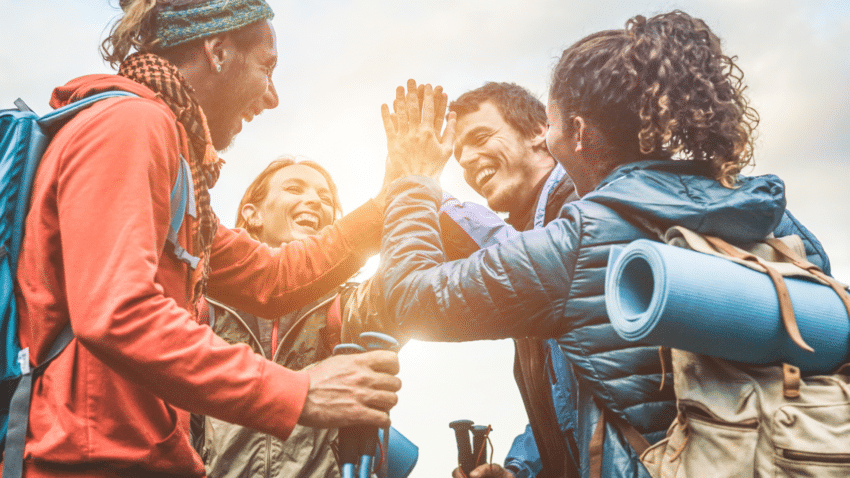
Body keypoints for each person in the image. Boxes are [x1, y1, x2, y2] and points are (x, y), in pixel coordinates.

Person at [377, 10, 830, 478]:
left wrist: (411, 179)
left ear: (575, 133)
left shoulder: (582, 240)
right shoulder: (758, 209)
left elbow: (411, 298)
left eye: (552, 124)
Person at [11, 0, 420, 476]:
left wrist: (393, 198)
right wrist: (298, 392)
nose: (272, 97)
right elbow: (116, 312)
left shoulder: (179, 173)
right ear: (217, 50)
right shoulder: (131, 125)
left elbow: (273, 278)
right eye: (267, 67)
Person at [196, 157, 398, 478]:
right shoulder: (205, 307)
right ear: (253, 214)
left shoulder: (349, 304)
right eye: (294, 188)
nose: (314, 201)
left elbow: (412, 286)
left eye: (325, 198)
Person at [445, 82, 581, 478]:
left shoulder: (582, 206)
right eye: (458, 155)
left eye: (481, 137)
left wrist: (422, 192)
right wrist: (521, 469)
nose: (467, 160)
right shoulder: (527, 233)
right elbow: (569, 401)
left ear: (539, 131)